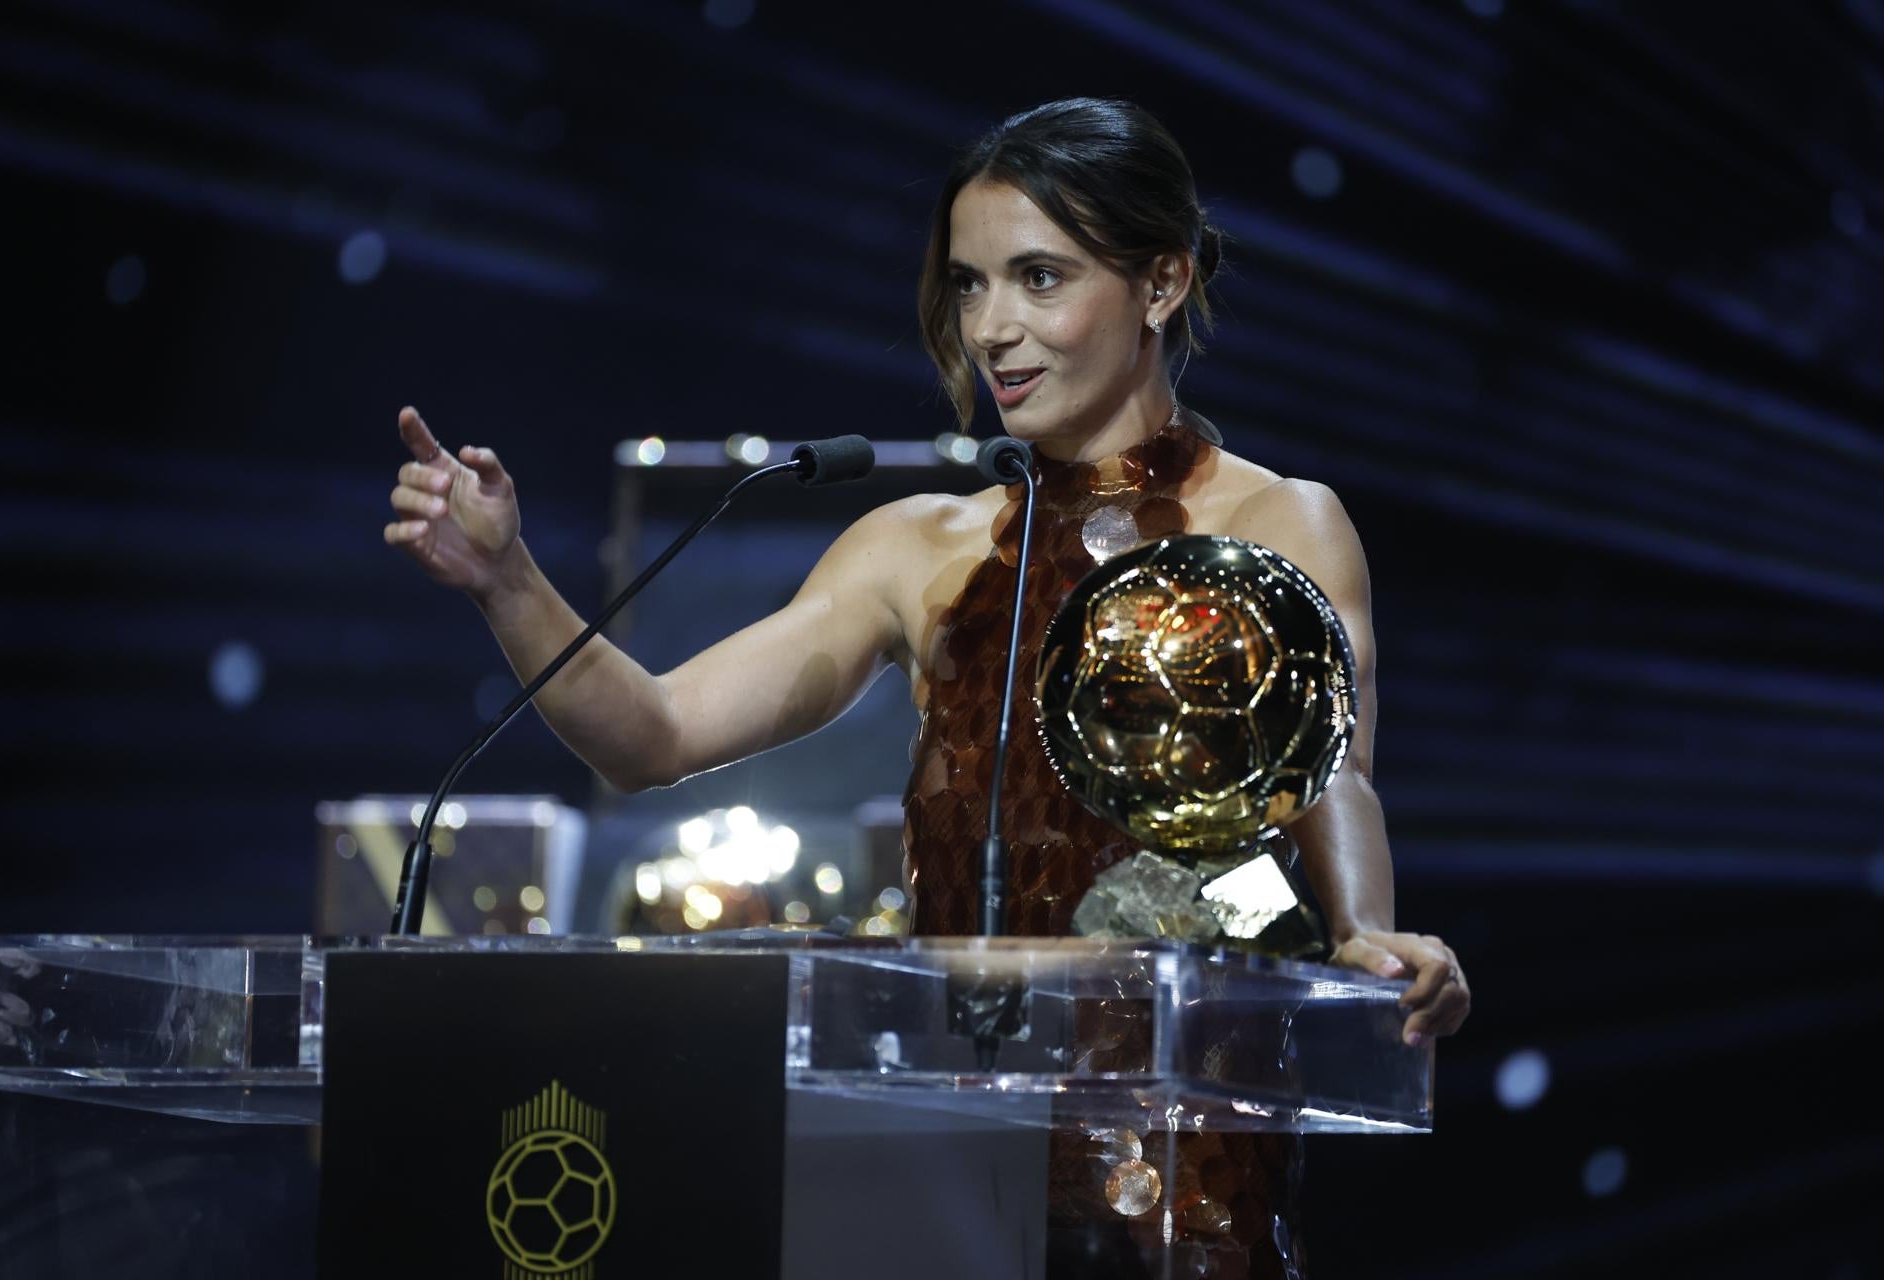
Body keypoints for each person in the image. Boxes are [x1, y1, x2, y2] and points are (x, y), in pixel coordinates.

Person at [385, 97, 1468, 1278]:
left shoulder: (1278, 519)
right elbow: (651, 733)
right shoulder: (916, 548)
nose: (996, 327)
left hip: (1180, 1133)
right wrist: (506, 579)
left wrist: (1369, 934)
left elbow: (1331, 773)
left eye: (1040, 278)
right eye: (969, 284)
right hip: (950, 1131)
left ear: (1161, 283)